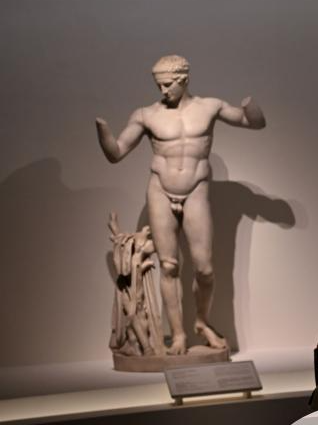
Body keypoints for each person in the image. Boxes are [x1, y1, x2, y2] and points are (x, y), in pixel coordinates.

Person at [96, 54, 266, 354]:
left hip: (196, 188)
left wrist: (251, 107)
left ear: (184, 80)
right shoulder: (146, 115)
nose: (163, 91)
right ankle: (177, 335)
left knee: (205, 268)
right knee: (169, 265)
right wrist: (104, 133)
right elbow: (117, 152)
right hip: (160, 189)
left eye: (168, 84)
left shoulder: (209, 107)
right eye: (158, 85)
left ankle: (201, 322)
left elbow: (252, 122)